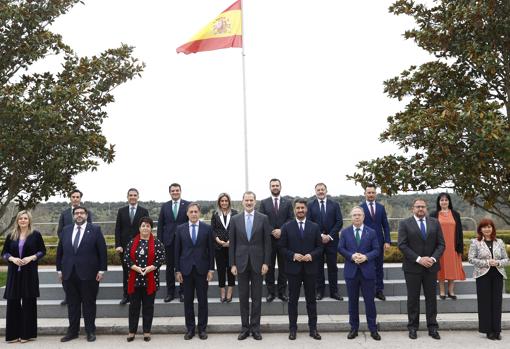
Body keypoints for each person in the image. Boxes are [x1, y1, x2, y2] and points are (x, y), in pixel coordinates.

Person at [56, 206, 108, 343]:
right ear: (73, 216)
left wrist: (102, 270)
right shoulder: (66, 230)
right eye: (76, 213)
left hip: (89, 274)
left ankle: (90, 331)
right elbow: (60, 251)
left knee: (89, 303)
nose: (79, 215)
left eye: (82, 213)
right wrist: (59, 270)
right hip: (68, 273)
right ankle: (73, 331)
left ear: (86, 215)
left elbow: (102, 251)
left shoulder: (95, 230)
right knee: (72, 304)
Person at [398, 198, 445, 340]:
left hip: (431, 267)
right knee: (413, 299)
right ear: (413, 208)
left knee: (431, 299)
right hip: (412, 267)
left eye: (423, 207)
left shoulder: (435, 223)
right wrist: (419, 259)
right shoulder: (405, 224)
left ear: (426, 208)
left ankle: (433, 328)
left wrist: (433, 259)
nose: (420, 209)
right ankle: (412, 327)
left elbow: (441, 245)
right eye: (418, 207)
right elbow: (402, 245)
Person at [229, 191, 271, 340]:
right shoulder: (235, 219)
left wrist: (266, 262)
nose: (248, 203)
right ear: (242, 202)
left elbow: (267, 243)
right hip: (240, 263)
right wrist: (232, 264)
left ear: (255, 201)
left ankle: (255, 328)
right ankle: (244, 328)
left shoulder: (263, 218)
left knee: (257, 298)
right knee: (243, 297)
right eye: (246, 200)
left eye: (251, 200)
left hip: (258, 263)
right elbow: (232, 243)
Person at [279, 198, 322, 340]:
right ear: (294, 210)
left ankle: (313, 329)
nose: (300, 210)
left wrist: (311, 255)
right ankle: (292, 329)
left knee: (311, 301)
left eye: (302, 208)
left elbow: (320, 247)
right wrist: (293, 255)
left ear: (306, 209)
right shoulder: (286, 227)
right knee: (293, 301)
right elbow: (281, 248)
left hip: (310, 269)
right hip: (293, 270)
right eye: (298, 208)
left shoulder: (314, 227)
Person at [2, 211, 46, 343]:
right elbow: (4, 253)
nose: (22, 220)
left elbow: (42, 251)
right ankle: (13, 335)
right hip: (14, 273)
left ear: (29, 220)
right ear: (17, 220)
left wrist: (32, 257)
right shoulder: (11, 235)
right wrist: (12, 258)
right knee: (13, 302)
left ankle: (27, 334)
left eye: (25, 218)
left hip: (29, 272)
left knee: (28, 302)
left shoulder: (35, 235)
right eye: (20, 218)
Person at [338, 207, 381, 341]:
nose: (357, 217)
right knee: (352, 302)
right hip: (351, 272)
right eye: (354, 215)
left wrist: (366, 257)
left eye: (359, 215)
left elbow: (376, 250)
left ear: (363, 217)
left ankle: (373, 329)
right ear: (351, 217)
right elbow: (340, 248)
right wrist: (351, 256)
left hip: (367, 272)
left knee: (370, 302)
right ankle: (354, 329)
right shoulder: (345, 232)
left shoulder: (371, 232)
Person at [175, 203, 215, 340]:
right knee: (188, 302)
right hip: (185, 270)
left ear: (199, 213)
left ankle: (202, 329)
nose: (193, 214)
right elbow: (177, 251)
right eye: (191, 211)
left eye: (196, 211)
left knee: (203, 301)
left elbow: (211, 251)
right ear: (187, 214)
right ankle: (190, 329)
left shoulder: (207, 229)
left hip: (202, 270)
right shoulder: (180, 229)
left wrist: (211, 269)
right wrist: (177, 270)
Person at [124, 217, 165, 342]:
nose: (145, 228)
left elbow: (161, 257)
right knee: (134, 307)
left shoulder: (157, 243)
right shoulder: (132, 242)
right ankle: (132, 332)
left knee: (148, 307)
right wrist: (136, 268)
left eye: (148, 226)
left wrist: (150, 268)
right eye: (143, 226)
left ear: (151, 228)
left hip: (150, 279)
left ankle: (147, 332)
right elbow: (126, 258)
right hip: (134, 280)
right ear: (139, 228)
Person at [468, 218, 509, 340]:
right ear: (480, 229)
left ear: (493, 228)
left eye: (489, 226)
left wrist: (497, 263)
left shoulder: (499, 242)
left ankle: (497, 330)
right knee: (485, 303)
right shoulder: (475, 242)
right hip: (482, 276)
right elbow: (471, 259)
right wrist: (487, 262)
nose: (487, 229)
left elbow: (506, 259)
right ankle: (488, 331)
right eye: (484, 227)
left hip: (497, 274)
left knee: (497, 303)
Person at [306, 182, 343, 300]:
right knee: (318, 267)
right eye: (318, 190)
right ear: (315, 191)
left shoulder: (335, 204)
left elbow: (339, 222)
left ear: (326, 191)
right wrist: (321, 236)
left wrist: (329, 236)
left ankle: (334, 292)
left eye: (322, 189)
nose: (321, 192)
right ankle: (319, 292)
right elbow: (309, 222)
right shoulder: (310, 205)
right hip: (317, 242)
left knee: (333, 267)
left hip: (332, 242)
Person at [258, 178, 293, 302]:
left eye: (277, 185)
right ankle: (271, 293)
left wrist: (281, 230)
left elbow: (290, 219)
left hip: (284, 240)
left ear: (280, 187)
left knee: (284, 267)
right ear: (270, 188)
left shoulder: (288, 202)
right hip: (269, 240)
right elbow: (262, 219)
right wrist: (273, 230)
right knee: (269, 267)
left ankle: (282, 292)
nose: (275, 187)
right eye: (273, 185)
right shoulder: (264, 202)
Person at [56, 189, 92, 306]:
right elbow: (60, 230)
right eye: (73, 197)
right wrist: (65, 242)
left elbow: (90, 228)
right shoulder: (64, 213)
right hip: (68, 248)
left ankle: (82, 296)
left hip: (82, 248)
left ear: (80, 198)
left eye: (77, 197)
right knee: (67, 272)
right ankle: (68, 296)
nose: (75, 199)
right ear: (70, 198)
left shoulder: (87, 213)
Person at [115, 188, 150, 305]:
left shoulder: (144, 211)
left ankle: (138, 296)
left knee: (139, 271)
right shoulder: (121, 211)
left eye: (135, 195)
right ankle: (126, 295)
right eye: (130, 195)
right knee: (126, 272)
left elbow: (147, 229)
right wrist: (118, 245)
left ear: (138, 197)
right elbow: (118, 229)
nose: (133, 197)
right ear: (127, 197)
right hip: (124, 247)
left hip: (140, 247)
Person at [157, 183, 190, 303]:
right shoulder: (165, 206)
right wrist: (160, 242)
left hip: (183, 241)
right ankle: (170, 293)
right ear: (169, 192)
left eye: (177, 190)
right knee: (170, 268)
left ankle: (183, 292)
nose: (175, 192)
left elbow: (190, 222)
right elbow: (160, 224)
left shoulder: (187, 205)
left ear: (180, 191)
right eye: (173, 191)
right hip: (168, 241)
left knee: (182, 267)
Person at [429, 192, 465, 299]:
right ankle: (442, 291)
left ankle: (451, 291)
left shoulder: (455, 214)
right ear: (438, 202)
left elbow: (460, 232)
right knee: (440, 268)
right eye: (441, 200)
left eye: (446, 200)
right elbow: (430, 232)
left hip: (453, 246)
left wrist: (460, 247)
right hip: (439, 246)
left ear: (449, 201)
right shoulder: (433, 215)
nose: (444, 202)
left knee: (451, 267)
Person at [360, 184, 391, 300]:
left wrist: (387, 241)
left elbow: (386, 226)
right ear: (365, 194)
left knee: (379, 267)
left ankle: (379, 290)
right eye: (369, 193)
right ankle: (368, 290)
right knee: (366, 267)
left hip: (379, 242)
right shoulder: (361, 208)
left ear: (375, 194)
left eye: (373, 193)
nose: (371, 195)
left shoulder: (381, 208)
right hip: (365, 243)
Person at [210, 193, 237, 303]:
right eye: (222, 201)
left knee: (231, 269)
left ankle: (230, 290)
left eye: (226, 201)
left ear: (229, 202)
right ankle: (222, 291)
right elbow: (212, 230)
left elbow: (237, 229)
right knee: (221, 270)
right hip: (219, 247)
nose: (224, 203)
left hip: (231, 246)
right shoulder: (215, 214)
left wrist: (231, 241)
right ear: (219, 202)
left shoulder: (235, 213)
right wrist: (218, 240)